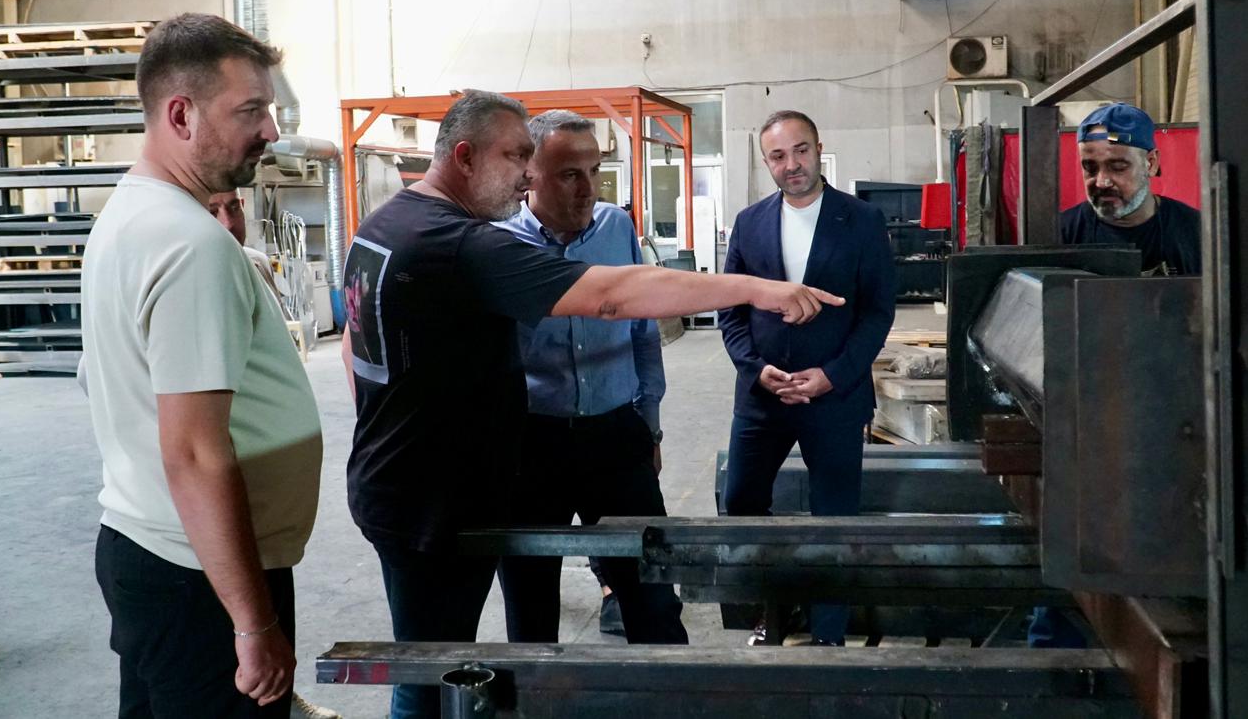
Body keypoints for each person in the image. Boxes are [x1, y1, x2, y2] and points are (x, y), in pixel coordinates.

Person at [342, 89, 841, 719]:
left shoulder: (386, 225)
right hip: (435, 496)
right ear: (464, 157)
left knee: (432, 661)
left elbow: (357, 352)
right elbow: (612, 296)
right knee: (430, 672)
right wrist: (757, 289)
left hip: (408, 480)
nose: (527, 175)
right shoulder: (466, 245)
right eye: (518, 158)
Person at [81, 14, 333, 719]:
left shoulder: (128, 216)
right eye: (250, 110)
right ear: (181, 115)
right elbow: (193, 452)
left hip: (153, 549)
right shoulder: (190, 244)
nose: (271, 131)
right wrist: (252, 624)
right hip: (199, 575)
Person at [493, 110, 686, 646]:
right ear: (530, 175)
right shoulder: (498, 245)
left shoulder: (615, 227)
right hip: (533, 444)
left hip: (615, 435)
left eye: (595, 171)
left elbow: (643, 330)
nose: (588, 189)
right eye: (569, 175)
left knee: (653, 598)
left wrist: (648, 423)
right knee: (530, 608)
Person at [718, 110, 896, 646]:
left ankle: (828, 634)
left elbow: (877, 313)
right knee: (742, 504)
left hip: (834, 397)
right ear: (765, 162)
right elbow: (730, 309)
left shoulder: (862, 220)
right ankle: (771, 614)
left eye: (800, 150)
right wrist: (756, 370)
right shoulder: (750, 223)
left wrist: (833, 376)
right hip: (763, 397)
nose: (791, 164)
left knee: (834, 516)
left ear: (819, 149)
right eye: (778, 155)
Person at [1059, 102, 1201, 276]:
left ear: (1151, 164)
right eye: (1090, 168)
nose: (1102, 182)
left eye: (1118, 167)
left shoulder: (1199, 233)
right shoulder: (1061, 234)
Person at [207, 190, 288, 309]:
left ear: (242, 205)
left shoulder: (260, 263)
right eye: (213, 213)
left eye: (235, 208)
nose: (228, 224)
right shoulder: (185, 279)